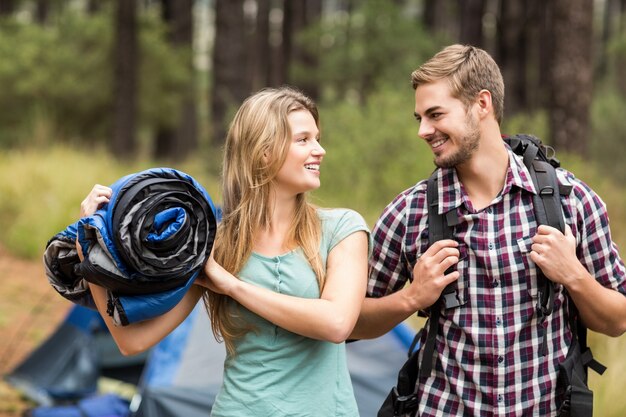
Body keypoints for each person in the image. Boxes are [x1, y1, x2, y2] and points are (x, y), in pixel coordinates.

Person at [350, 44, 626, 416]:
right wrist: (412, 297)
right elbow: (353, 324)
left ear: (482, 104)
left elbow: (618, 319)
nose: (423, 130)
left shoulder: (570, 201)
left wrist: (573, 275)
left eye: (434, 115)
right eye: (419, 118)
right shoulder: (408, 213)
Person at [79, 87, 370, 416]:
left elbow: (337, 323)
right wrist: (90, 245)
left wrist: (233, 286)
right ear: (263, 152)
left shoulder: (343, 228)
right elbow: (132, 342)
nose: (320, 150)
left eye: (317, 138)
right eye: (303, 140)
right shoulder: (214, 244)